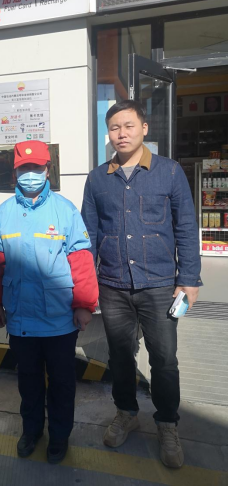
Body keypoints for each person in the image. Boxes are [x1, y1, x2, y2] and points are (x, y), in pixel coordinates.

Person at [82, 101, 203, 469]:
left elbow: (186, 227)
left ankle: (167, 424)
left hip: (161, 285)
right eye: (114, 127)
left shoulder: (169, 171)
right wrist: (86, 285)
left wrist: (189, 279)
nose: (122, 133)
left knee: (164, 359)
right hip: (113, 285)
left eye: (129, 126)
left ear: (144, 128)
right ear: (108, 133)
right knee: (119, 356)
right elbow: (88, 234)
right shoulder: (97, 178)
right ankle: (126, 413)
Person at [0, 141, 99, 465]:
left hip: (60, 319)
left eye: (36, 167)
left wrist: (84, 305)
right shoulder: (3, 214)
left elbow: (81, 260)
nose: (30, 174)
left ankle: (59, 436)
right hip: (21, 319)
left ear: (48, 170)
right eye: (24, 168)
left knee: (62, 383)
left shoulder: (65, 211)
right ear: (15, 173)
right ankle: (32, 430)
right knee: (28, 382)